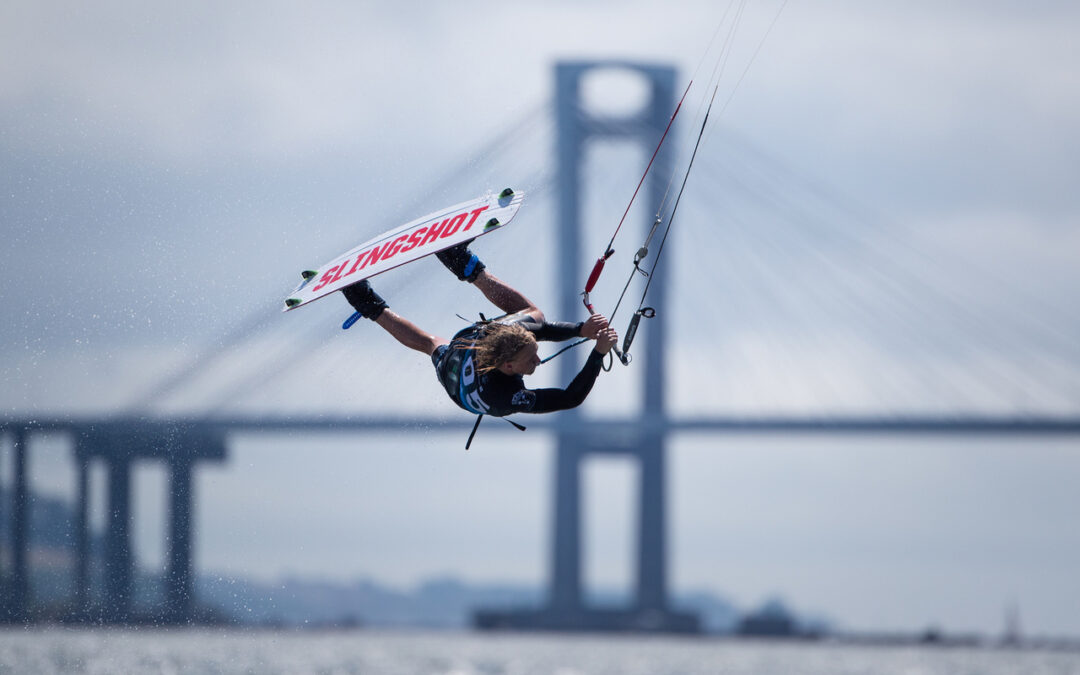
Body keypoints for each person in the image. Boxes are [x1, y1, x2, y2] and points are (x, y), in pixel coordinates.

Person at [341, 240, 618, 417]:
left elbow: (540, 334)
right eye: (530, 358)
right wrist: (596, 350)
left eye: (533, 354)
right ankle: (367, 301)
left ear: (508, 367)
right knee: (430, 343)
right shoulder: (508, 392)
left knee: (532, 317)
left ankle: (457, 263)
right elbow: (570, 398)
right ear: (508, 365)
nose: (538, 360)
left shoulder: (501, 385)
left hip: (459, 380)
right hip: (468, 356)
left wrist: (582, 330)